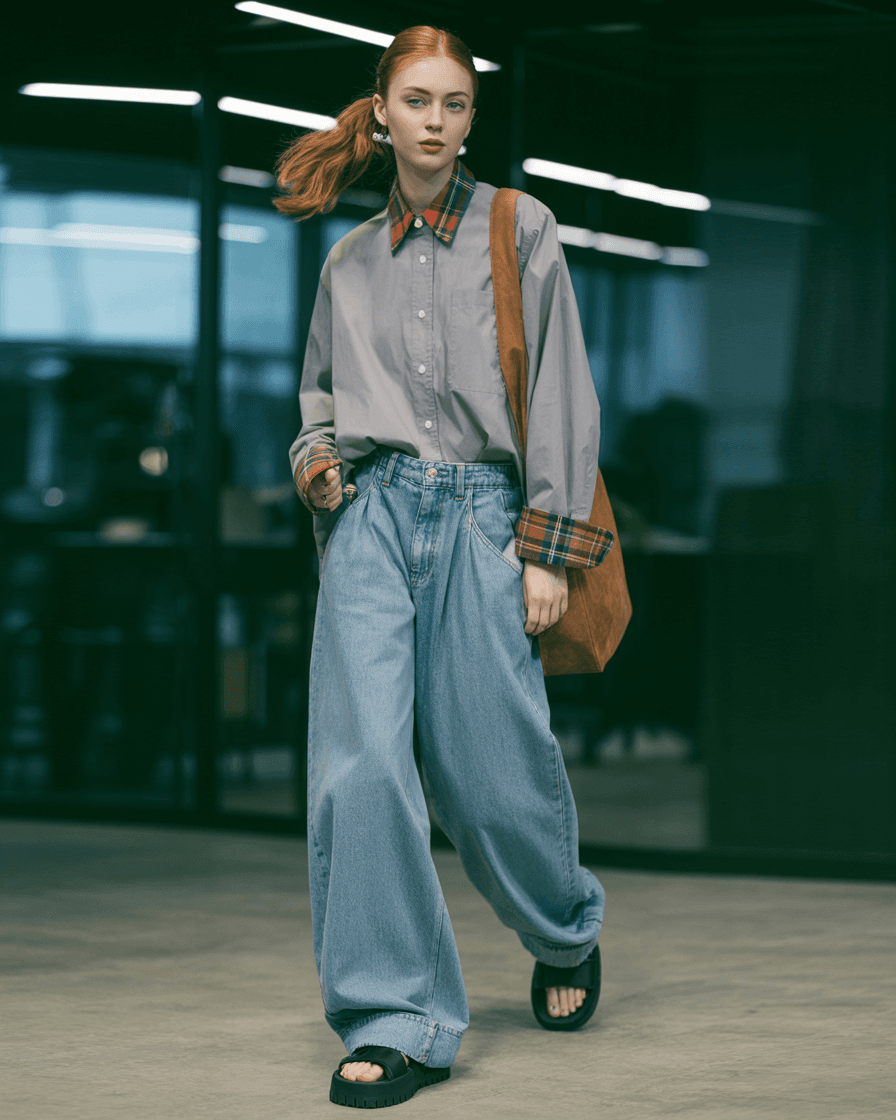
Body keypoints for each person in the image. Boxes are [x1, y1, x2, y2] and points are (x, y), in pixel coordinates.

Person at [276, 24, 610, 1109]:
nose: (433, 121)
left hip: (481, 518)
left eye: (453, 104)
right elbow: (318, 397)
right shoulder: (348, 261)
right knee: (359, 767)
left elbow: (560, 388)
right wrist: (319, 461)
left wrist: (547, 547)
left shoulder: (520, 230)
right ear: (379, 113)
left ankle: (561, 923)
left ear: (469, 119)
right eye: (415, 101)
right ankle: (395, 1015)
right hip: (371, 519)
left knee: (488, 767)